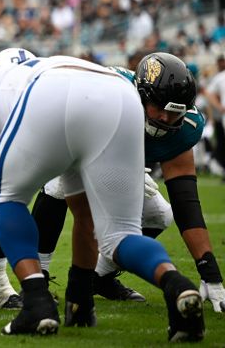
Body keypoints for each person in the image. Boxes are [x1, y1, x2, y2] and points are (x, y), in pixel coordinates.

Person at [0, 54, 205, 341]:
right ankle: (171, 285)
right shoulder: (20, 72)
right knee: (117, 232)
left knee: (5, 197)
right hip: (121, 95)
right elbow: (82, 213)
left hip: (52, 91)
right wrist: (79, 295)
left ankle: (36, 302)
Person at [31, 52, 225, 311]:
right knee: (58, 185)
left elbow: (185, 200)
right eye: (162, 109)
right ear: (141, 96)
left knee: (159, 214)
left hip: (121, 160)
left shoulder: (185, 128)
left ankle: (97, 277)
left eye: (175, 114)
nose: (167, 120)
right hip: (75, 147)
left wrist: (209, 272)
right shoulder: (108, 95)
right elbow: (73, 141)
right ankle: (36, 279)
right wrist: (120, 171)